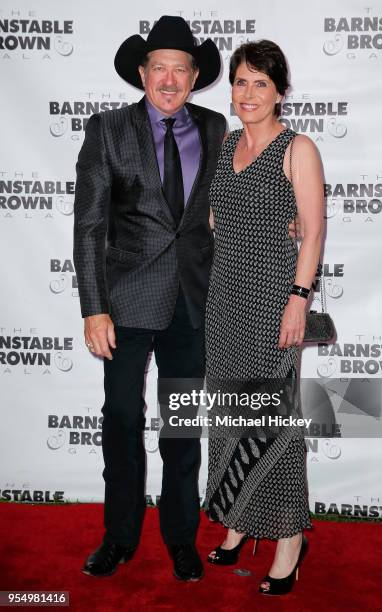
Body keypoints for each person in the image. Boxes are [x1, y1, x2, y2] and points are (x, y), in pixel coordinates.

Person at [73, 15, 226, 581]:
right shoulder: (107, 130)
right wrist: (94, 307)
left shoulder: (215, 131)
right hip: (126, 306)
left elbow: (225, 213)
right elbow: (88, 226)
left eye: (179, 69)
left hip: (192, 306)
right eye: (158, 67)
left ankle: (181, 538)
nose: (168, 78)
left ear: (194, 77)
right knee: (120, 421)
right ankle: (119, 536)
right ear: (142, 73)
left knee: (182, 430)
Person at [204, 39, 324, 596]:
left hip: (274, 305)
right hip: (225, 303)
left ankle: (289, 543)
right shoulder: (225, 144)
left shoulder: (297, 148)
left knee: (274, 426)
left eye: (260, 82)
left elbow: (314, 232)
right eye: (240, 81)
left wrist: (299, 297)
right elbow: (215, 220)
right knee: (229, 419)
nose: (248, 92)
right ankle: (235, 523)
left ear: (280, 91)